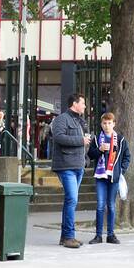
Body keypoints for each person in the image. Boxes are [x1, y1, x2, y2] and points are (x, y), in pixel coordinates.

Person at [50, 94, 91, 249]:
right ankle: (68, 237)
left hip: (78, 165)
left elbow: (84, 142)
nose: (85, 106)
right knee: (72, 200)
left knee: (71, 200)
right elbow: (58, 137)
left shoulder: (80, 121)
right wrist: (80, 141)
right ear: (74, 103)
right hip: (66, 166)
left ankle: (65, 236)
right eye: (83, 103)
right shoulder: (62, 119)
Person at [87, 112, 130, 245]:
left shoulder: (121, 139)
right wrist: (99, 149)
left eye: (109, 123)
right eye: (104, 123)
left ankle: (111, 235)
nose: (107, 126)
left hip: (113, 177)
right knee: (100, 205)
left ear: (114, 124)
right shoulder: (96, 139)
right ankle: (98, 235)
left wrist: (120, 170)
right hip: (100, 176)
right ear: (101, 124)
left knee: (111, 206)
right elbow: (90, 154)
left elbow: (127, 157)